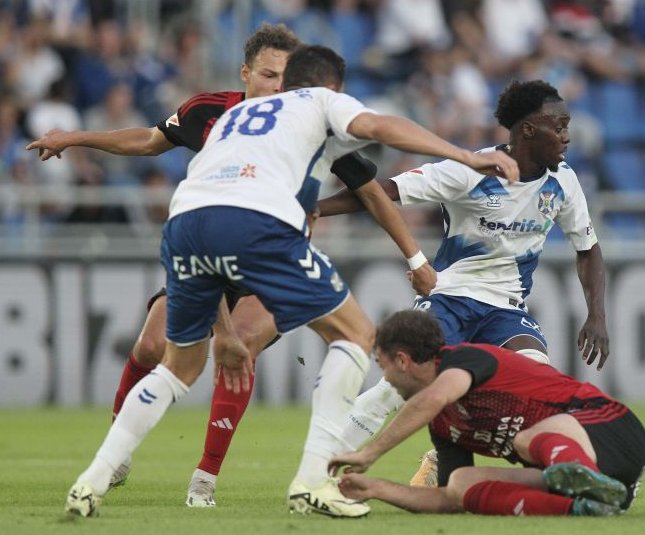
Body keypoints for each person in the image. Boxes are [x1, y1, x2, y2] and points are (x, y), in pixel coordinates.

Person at [63, 44, 518, 519]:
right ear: (330, 85)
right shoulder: (318, 100)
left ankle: (92, 479)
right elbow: (381, 127)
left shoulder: (238, 115)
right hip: (257, 224)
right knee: (357, 334)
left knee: (177, 366)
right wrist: (465, 155)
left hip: (185, 224)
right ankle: (313, 481)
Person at [27, 23, 318, 508]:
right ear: (246, 73)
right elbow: (148, 139)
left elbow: (357, 179)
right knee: (151, 344)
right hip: (209, 245)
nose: (278, 87)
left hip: (271, 256)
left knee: (239, 345)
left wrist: (408, 250)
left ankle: (205, 478)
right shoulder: (209, 111)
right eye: (268, 75)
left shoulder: (309, 122)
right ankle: (116, 453)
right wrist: (78, 136)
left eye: (287, 77)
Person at [317, 79, 609, 481]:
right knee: (396, 387)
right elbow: (384, 191)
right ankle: (319, 473)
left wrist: (597, 315)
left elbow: (588, 248)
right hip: (450, 298)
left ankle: (444, 462)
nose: (567, 136)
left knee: (536, 378)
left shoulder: (563, 182)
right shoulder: (470, 170)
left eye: (567, 125)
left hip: (506, 309)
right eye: (558, 126)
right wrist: (313, 211)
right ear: (528, 130)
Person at [329, 310, 645, 516]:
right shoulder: (444, 426)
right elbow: (446, 500)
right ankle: (583, 506)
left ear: (402, 361)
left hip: (611, 429)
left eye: (383, 366)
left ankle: (584, 476)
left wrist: (370, 453)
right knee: (460, 482)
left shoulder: (463, 360)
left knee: (526, 439)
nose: (385, 379)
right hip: (567, 468)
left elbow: (436, 396)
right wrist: (376, 487)